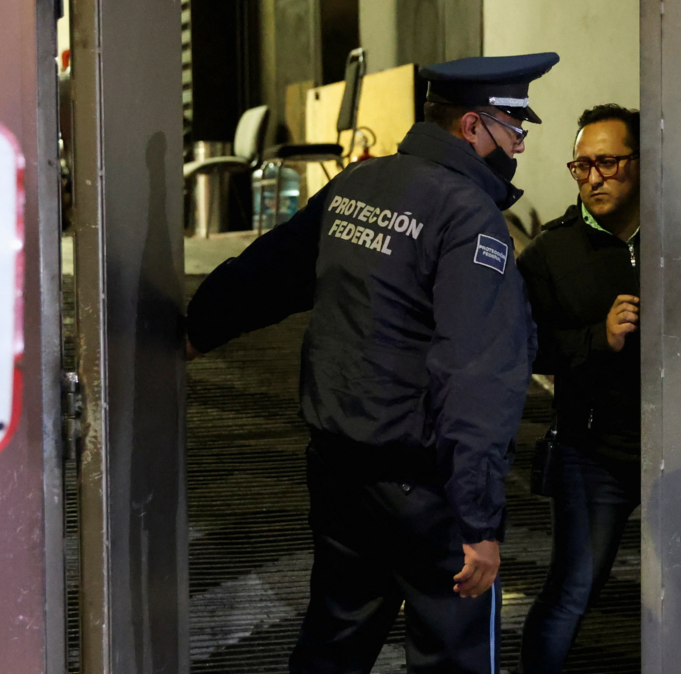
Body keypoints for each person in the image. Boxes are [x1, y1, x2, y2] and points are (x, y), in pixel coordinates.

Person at [185, 53, 560, 674]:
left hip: (338, 473)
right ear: (472, 127)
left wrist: (196, 332)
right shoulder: (471, 221)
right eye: (513, 132)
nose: (518, 150)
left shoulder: (360, 184)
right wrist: (478, 518)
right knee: (454, 659)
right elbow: (477, 379)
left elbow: (269, 272)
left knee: (335, 643)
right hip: (426, 494)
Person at [515, 104, 642, 674]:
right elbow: (526, 347)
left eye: (608, 163)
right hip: (593, 452)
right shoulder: (551, 252)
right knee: (574, 590)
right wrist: (598, 337)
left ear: (641, 163)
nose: (594, 178)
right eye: (582, 166)